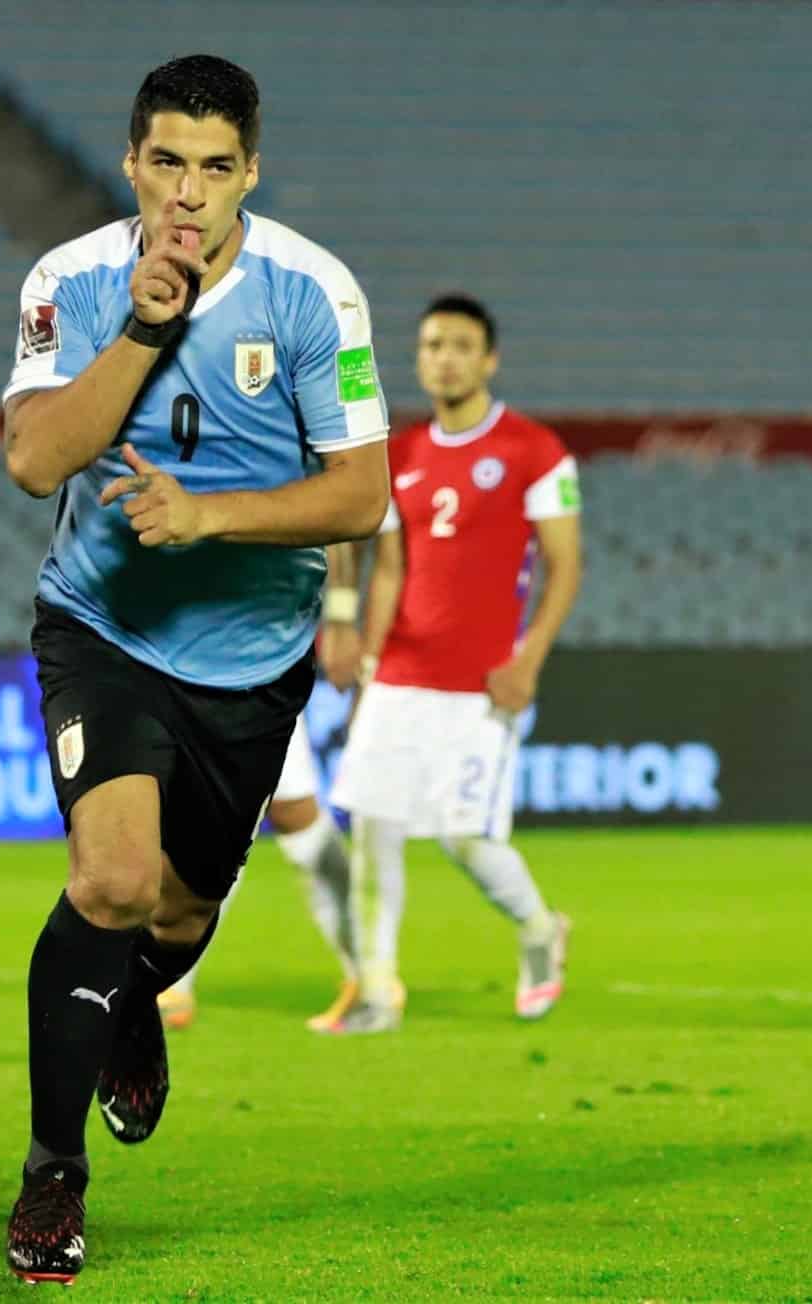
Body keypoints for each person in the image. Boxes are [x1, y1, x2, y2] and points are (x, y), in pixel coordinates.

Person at [0, 55, 389, 1284]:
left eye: (216, 168)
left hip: (253, 658)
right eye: (167, 162)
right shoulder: (70, 280)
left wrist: (209, 517)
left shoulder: (315, 293)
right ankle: (53, 1176)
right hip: (103, 626)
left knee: (178, 913)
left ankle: (131, 1009)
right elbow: (33, 459)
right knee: (110, 882)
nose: (190, 192)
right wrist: (145, 326)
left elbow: (364, 495)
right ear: (132, 164)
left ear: (250, 174)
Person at [325, 294, 582, 1034]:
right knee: (371, 829)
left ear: (488, 359)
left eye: (461, 346)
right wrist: (360, 646)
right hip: (400, 674)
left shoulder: (534, 451)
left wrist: (528, 658)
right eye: (433, 344)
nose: (445, 357)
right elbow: (386, 567)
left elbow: (564, 566)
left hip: (481, 685)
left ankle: (538, 930)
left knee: (465, 840)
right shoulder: (400, 454)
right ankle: (377, 988)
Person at [154, 707, 363, 1034]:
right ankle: (172, 981)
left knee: (294, 815)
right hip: (194, 681)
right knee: (213, 822)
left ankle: (369, 972)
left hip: (263, 680)